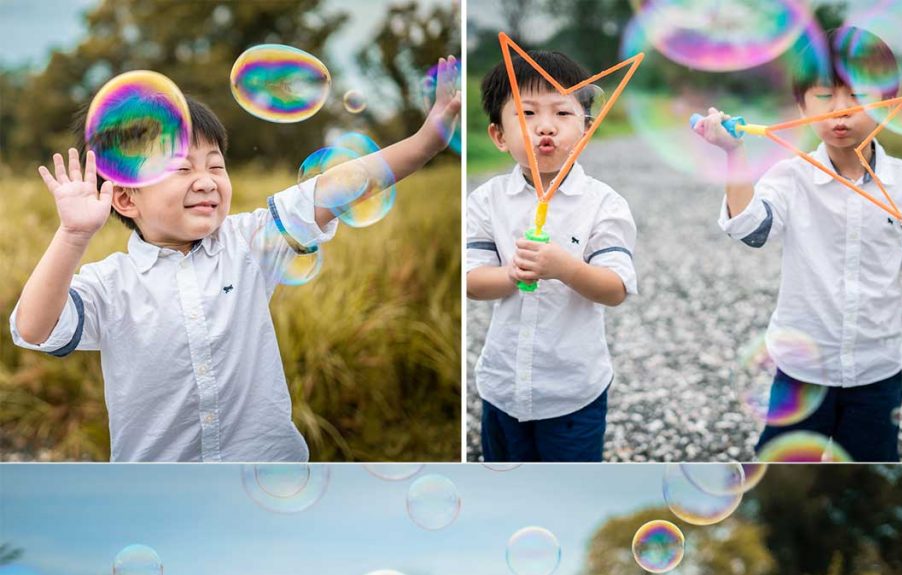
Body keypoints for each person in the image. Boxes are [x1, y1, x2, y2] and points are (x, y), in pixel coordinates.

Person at [10, 58, 461, 462]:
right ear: (125, 197)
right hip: (160, 489)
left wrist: (426, 140)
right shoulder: (111, 283)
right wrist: (72, 235)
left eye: (216, 165)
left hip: (268, 468)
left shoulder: (248, 241)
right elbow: (34, 328)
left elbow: (340, 185)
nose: (206, 181)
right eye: (183, 169)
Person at [695, 27, 902, 461]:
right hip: (801, 370)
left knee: (870, 471)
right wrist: (734, 156)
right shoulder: (790, 176)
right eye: (824, 98)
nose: (841, 112)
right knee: (780, 469)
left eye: (858, 97)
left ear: (888, 104)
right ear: (800, 106)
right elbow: (751, 229)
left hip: (878, 369)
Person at [467, 51, 637, 463]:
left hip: (573, 395)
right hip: (503, 387)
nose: (545, 126)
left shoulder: (604, 204)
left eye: (563, 112)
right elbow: (471, 281)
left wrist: (565, 268)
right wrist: (511, 274)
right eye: (526, 112)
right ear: (498, 136)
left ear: (587, 129)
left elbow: (615, 289)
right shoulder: (487, 201)